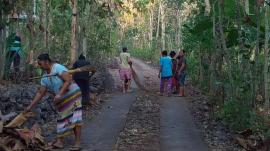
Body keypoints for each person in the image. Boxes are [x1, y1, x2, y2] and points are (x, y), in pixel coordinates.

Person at [25, 54, 82, 150]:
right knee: (62, 118)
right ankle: (60, 142)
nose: (39, 66)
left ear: (47, 62)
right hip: (61, 98)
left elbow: (68, 80)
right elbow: (40, 93)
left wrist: (59, 94)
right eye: (38, 64)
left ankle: (77, 143)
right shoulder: (44, 77)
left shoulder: (57, 67)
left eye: (40, 63)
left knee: (75, 118)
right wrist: (30, 107)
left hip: (73, 94)